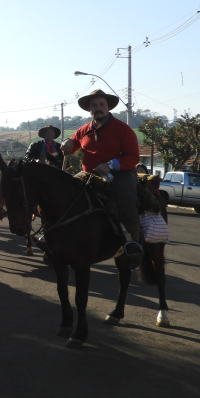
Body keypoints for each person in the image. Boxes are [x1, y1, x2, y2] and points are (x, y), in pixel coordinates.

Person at [61, 89, 144, 266]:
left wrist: (111, 164)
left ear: (107, 107)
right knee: (66, 193)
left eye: (101, 105)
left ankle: (133, 243)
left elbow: (133, 157)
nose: (98, 108)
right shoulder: (83, 130)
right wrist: (67, 142)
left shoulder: (123, 129)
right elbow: (73, 144)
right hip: (89, 173)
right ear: (89, 109)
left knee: (126, 199)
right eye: (94, 106)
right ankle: (57, 236)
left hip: (120, 173)